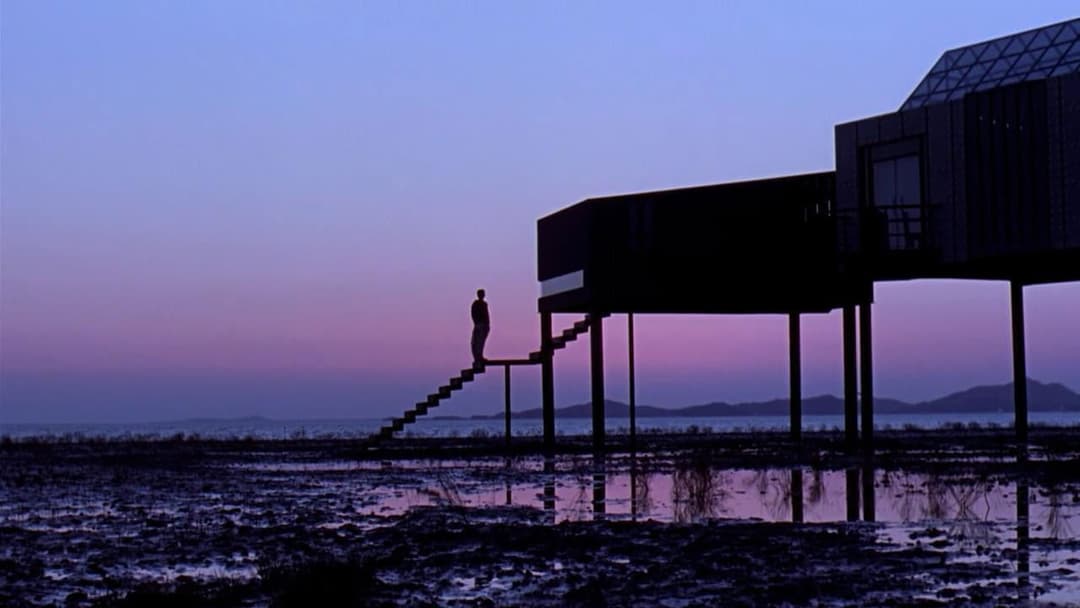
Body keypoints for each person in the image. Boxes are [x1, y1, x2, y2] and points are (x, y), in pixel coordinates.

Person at [470, 289, 490, 366]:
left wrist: (487, 325)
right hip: (479, 325)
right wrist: (477, 323)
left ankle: (479, 356)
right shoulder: (476, 304)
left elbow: (487, 315)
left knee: (481, 342)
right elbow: (473, 314)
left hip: (483, 325)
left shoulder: (484, 304)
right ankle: (478, 357)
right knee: (477, 342)